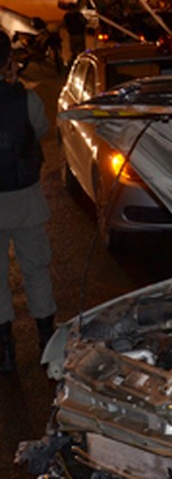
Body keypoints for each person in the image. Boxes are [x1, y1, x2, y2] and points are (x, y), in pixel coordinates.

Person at [0, 34, 56, 373]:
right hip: (26, 200)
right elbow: (41, 128)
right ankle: (46, 341)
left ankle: (5, 352)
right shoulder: (26, 99)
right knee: (36, 269)